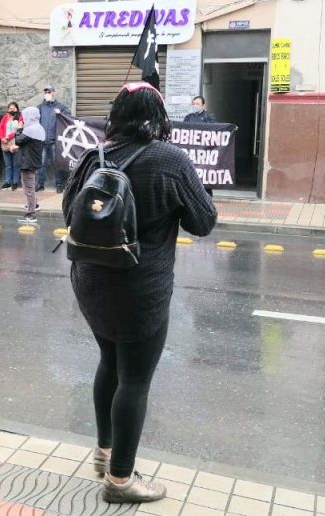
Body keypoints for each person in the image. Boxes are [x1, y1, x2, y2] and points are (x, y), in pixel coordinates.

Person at [61, 82, 216, 505]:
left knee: (109, 361)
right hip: (140, 288)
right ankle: (120, 480)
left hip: (90, 281)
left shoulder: (96, 154)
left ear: (117, 114)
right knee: (135, 380)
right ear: (160, 116)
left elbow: (68, 210)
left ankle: (105, 451)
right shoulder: (170, 158)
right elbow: (204, 222)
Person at [15, 106, 45, 223]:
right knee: (30, 186)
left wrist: (19, 129)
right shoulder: (39, 128)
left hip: (28, 162)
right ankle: (34, 205)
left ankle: (31, 213)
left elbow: (18, 140)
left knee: (28, 188)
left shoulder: (30, 129)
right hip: (33, 161)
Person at [37, 85, 68, 193]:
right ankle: (40, 184)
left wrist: (61, 114)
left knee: (57, 163)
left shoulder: (61, 106)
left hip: (56, 140)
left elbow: (68, 119)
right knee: (41, 163)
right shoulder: (40, 107)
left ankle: (59, 185)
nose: (47, 93)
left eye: (49, 91)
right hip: (42, 140)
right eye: (45, 91)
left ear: (54, 92)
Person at [0, 102, 23, 191]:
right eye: (10, 108)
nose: (12, 110)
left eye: (14, 108)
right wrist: (2, 138)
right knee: (7, 164)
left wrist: (8, 137)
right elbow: (0, 128)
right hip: (5, 142)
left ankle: (15, 182)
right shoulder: (5, 117)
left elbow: (19, 130)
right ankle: (7, 181)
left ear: (17, 109)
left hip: (15, 142)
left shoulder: (20, 117)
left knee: (16, 164)